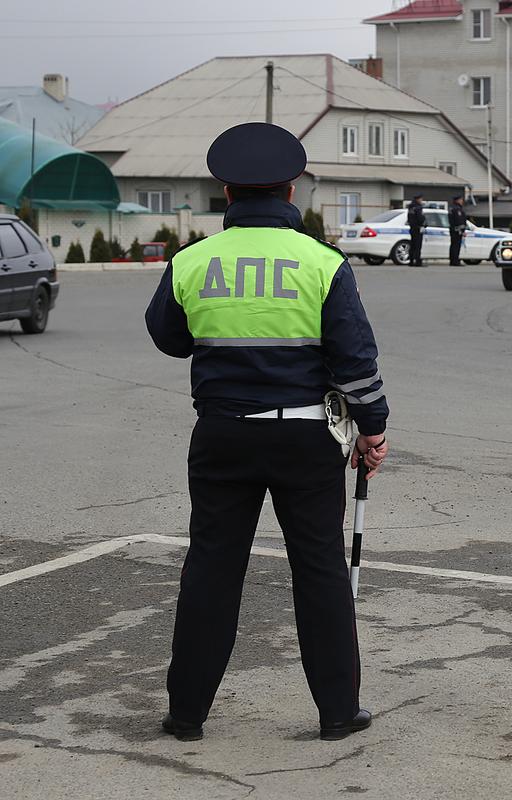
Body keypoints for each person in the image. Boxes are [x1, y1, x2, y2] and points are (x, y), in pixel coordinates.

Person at [145, 122, 389, 743]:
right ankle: (338, 712)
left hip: (223, 434)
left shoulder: (190, 262)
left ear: (226, 193)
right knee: (320, 571)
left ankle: (187, 715)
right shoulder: (324, 263)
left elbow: (170, 338)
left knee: (211, 570)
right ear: (291, 191)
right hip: (306, 440)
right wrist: (372, 430)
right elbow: (355, 361)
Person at [406, 195, 425, 266]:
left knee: (413, 245)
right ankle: (417, 261)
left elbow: (409, 218)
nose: (421, 200)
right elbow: (420, 218)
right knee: (418, 246)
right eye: (421, 199)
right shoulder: (418, 208)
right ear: (418, 199)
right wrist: (423, 223)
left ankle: (411, 261)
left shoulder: (411, 207)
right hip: (418, 228)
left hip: (412, 228)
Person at [448, 195, 468, 266]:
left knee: (453, 245)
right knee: (456, 246)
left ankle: (452, 260)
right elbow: (459, 221)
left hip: (453, 230)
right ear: (457, 200)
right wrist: (462, 231)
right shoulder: (457, 209)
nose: (462, 201)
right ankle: (455, 261)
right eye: (461, 200)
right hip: (457, 230)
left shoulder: (452, 208)